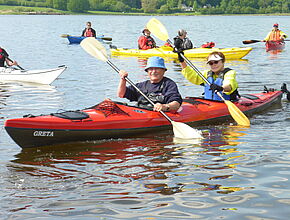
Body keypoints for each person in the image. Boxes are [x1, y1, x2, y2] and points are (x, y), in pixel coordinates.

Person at [117, 56, 182, 112]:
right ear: (147, 71)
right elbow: (121, 94)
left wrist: (164, 106)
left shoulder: (169, 85)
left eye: (157, 68)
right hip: (141, 113)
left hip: (159, 115)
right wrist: (123, 80)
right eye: (151, 69)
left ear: (163, 70)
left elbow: (176, 104)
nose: (153, 71)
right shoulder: (141, 85)